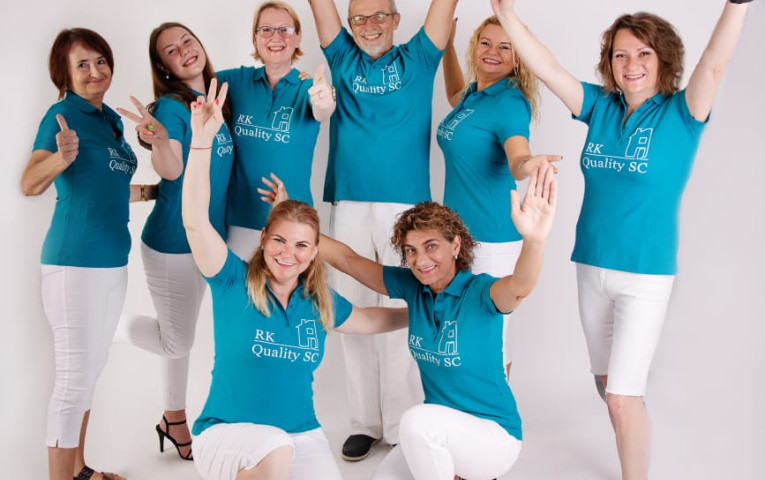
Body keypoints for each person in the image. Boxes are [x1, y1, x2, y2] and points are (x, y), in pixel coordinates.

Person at [490, 0, 753, 478]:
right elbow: (547, 67)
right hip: (590, 265)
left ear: (663, 60)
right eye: (620, 54)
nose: (631, 64)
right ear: (609, 62)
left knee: (620, 398)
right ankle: (634, 425)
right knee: (606, 382)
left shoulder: (682, 113)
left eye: (644, 53)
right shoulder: (600, 108)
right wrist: (505, 13)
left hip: (645, 275)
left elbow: (716, 62)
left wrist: (735, 6)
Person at [182, 79, 413, 480]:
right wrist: (201, 142)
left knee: (291, 451)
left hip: (301, 434)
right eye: (280, 240)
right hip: (227, 434)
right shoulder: (233, 279)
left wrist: (422, 311)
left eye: (302, 245)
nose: (289, 253)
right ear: (263, 239)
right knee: (274, 448)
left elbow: (371, 319)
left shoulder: (317, 300)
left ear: (315, 251)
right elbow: (195, 222)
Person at [316, 164, 556, 480]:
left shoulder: (480, 292)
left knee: (414, 420)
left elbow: (519, 286)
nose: (420, 260)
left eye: (431, 246)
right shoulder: (414, 288)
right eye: (411, 251)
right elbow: (348, 260)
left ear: (455, 245)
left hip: (493, 437)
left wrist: (534, 241)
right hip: (439, 433)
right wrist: (297, 232)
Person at [306, 0, 458, 460]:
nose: (369, 25)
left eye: (379, 16)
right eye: (359, 18)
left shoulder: (420, 57)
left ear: (396, 20)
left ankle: (400, 423)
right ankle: (364, 422)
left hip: (406, 207)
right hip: (349, 201)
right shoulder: (342, 56)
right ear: (350, 25)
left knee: (401, 306)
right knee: (351, 310)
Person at [20, 28, 139, 480]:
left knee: (89, 373)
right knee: (72, 384)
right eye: (82, 65)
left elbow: (107, 187)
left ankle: (80, 472)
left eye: (100, 61)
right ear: (65, 75)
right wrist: (61, 158)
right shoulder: (62, 115)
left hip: (112, 264)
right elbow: (29, 183)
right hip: (74, 265)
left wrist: (155, 191)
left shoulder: (108, 119)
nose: (94, 71)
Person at [114, 22, 234, 461]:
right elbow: (172, 168)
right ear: (163, 67)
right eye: (170, 50)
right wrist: (161, 142)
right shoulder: (171, 107)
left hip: (207, 242)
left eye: (187, 40)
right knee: (177, 342)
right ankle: (108, 326)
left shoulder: (214, 101)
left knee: (177, 335)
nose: (183, 51)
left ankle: (174, 419)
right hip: (173, 244)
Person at [439, 15, 560, 378]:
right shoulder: (475, 95)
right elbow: (453, 94)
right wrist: (447, 45)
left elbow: (518, 156)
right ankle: (469, 410)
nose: (493, 51)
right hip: (461, 237)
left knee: (492, 339)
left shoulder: (509, 102)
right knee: (464, 333)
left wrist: (527, 164)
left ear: (518, 57)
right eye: (486, 43)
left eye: (505, 46)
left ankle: (500, 413)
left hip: (491, 240)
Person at [218, 0, 336, 262]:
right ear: (255, 38)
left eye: (285, 30)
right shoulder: (236, 81)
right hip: (240, 221)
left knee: (289, 290)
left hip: (294, 224)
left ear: (298, 37)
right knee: (241, 289)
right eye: (267, 30)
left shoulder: (308, 88)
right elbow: (191, 83)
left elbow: (323, 110)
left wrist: (325, 99)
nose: (276, 37)